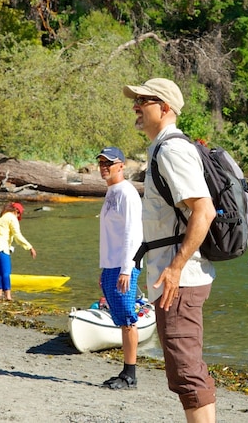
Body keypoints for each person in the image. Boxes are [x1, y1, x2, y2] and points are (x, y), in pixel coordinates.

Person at [122, 78, 217, 421]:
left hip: (181, 280)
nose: (136, 106)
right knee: (185, 370)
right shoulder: (162, 148)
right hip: (175, 278)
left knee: (187, 373)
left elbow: (203, 211)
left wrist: (176, 267)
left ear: (164, 109)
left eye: (144, 100)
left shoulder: (172, 150)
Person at [96, 146, 144, 390]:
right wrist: (104, 270)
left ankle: (130, 374)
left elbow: (132, 234)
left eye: (109, 163)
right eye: (102, 163)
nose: (104, 167)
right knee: (121, 319)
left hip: (125, 265)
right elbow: (110, 236)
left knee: (128, 319)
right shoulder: (111, 193)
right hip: (112, 265)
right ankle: (126, 371)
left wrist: (127, 268)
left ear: (121, 166)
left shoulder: (126, 192)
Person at [0, 202, 36, 300]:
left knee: (0, 271)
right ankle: (8, 296)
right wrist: (30, 247)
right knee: (6, 272)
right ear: (16, 211)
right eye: (19, 214)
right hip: (0, 247)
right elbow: (17, 235)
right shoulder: (12, 217)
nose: (19, 216)